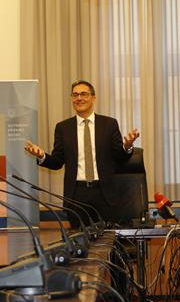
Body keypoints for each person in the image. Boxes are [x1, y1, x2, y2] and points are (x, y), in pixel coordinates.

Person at [24, 80, 140, 226]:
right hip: (76, 194)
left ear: (93, 98)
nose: (79, 98)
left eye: (84, 94)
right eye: (75, 95)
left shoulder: (109, 124)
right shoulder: (63, 128)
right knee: (79, 238)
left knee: (107, 237)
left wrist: (127, 146)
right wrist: (42, 156)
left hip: (104, 193)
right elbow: (57, 162)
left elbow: (119, 157)